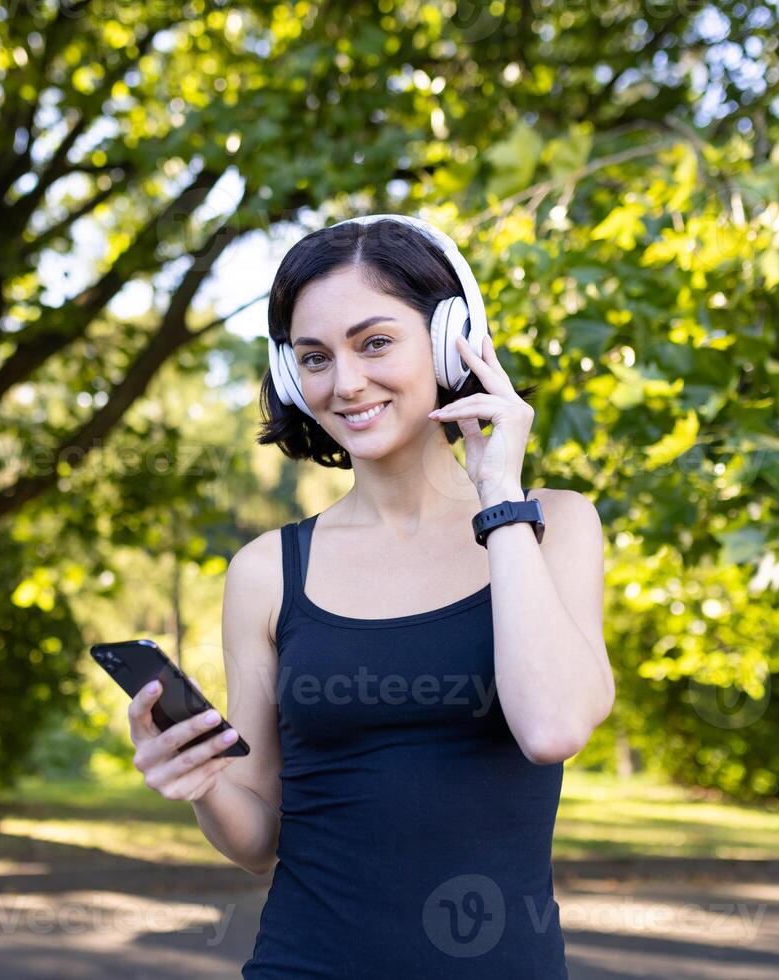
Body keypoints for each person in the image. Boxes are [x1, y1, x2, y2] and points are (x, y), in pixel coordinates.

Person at [127, 214, 613, 978]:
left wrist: (500, 495)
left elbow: (551, 726)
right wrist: (199, 782)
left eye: (375, 342)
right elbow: (256, 839)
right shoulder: (266, 571)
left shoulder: (555, 524)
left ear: (454, 339)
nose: (345, 382)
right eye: (314, 357)